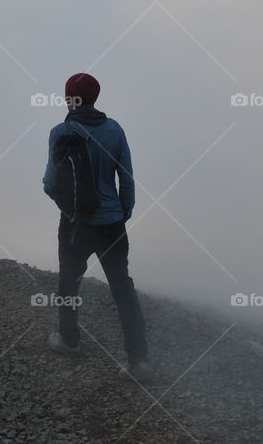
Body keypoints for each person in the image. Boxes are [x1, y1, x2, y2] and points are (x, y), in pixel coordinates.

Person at [42, 73, 152, 382]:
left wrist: (68, 206)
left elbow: (51, 182)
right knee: (122, 287)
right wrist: (122, 212)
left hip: (76, 224)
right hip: (112, 224)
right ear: (95, 97)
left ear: (68, 98)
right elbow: (126, 178)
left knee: (68, 283)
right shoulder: (114, 129)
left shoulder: (60, 131)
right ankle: (138, 360)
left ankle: (69, 340)